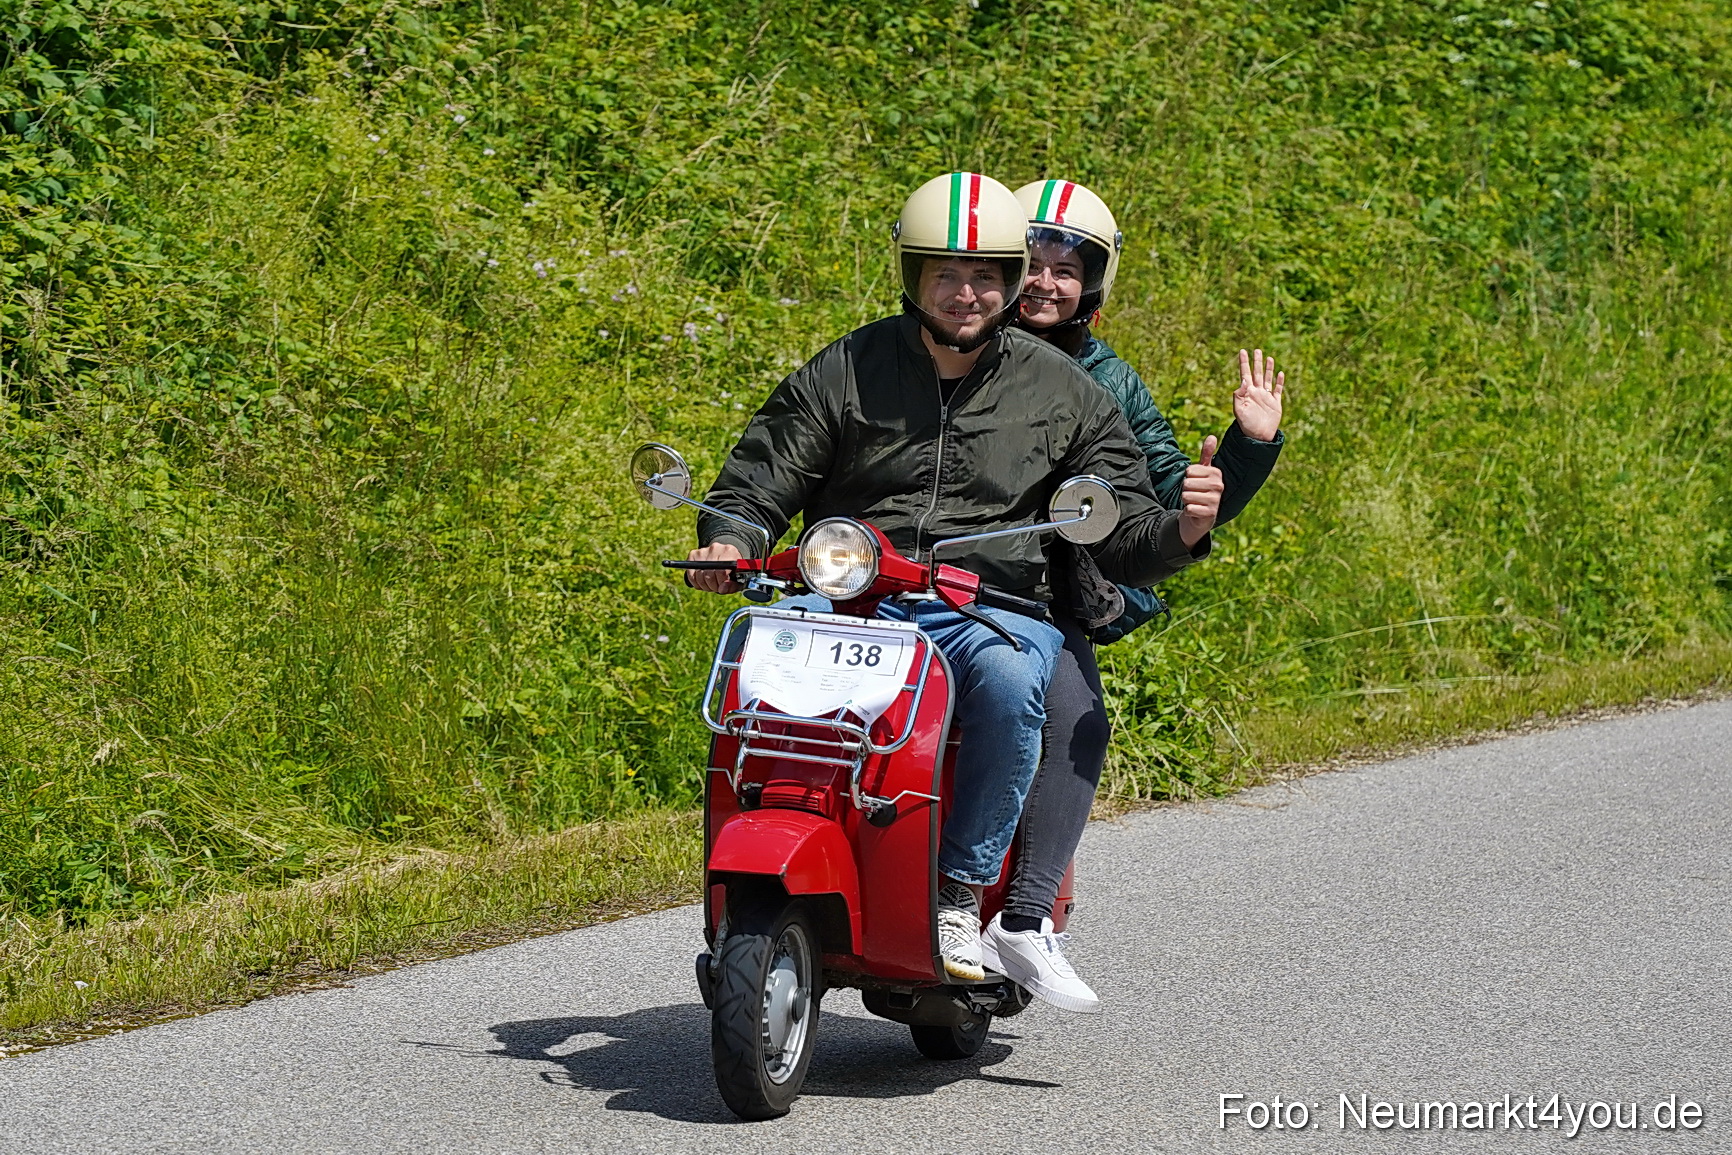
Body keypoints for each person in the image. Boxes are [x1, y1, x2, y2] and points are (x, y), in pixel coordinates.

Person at [684, 172, 1223, 980]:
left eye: (984, 276)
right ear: (912, 276)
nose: (965, 294)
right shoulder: (851, 366)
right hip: (855, 595)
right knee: (758, 671)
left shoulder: (1066, 391)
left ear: (1007, 284)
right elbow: (767, 468)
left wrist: (1185, 525)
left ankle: (961, 893)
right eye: (945, 273)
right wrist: (730, 537)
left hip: (990, 608)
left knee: (1011, 684)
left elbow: (1122, 528)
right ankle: (772, 848)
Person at [976, 179, 1286, 1011]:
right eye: (1031, 262)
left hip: (1044, 596)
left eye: (1066, 268)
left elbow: (1165, 507)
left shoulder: (1109, 381)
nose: (1044, 281)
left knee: (1078, 721)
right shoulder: (956, 340)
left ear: (1093, 287)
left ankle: (1026, 914)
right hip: (930, 574)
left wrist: (1248, 455)